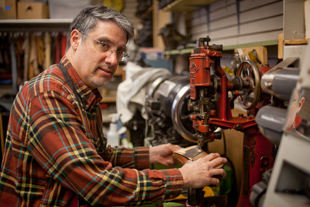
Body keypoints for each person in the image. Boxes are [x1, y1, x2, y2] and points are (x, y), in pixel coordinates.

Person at [0, 5, 227, 207]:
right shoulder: (49, 95)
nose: (113, 60)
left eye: (119, 51)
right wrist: (184, 177)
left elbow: (98, 154)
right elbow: (98, 184)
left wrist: (151, 154)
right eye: (104, 45)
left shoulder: (82, 90)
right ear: (76, 39)